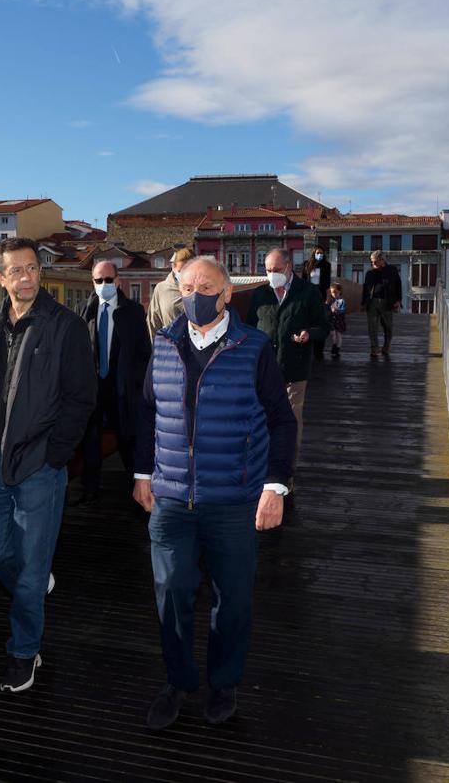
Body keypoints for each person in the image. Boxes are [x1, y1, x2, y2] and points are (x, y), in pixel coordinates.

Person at [133, 255, 296, 730]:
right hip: (170, 499)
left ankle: (224, 681)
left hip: (234, 497)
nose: (195, 296)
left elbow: (282, 420)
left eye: (206, 288)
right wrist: (142, 474)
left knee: (234, 598)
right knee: (172, 591)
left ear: (226, 295)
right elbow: (147, 412)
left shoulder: (255, 347)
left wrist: (275, 486)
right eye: (187, 287)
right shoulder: (163, 344)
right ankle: (178, 680)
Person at [0, 237, 97, 692]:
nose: (25, 276)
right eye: (15, 270)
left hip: (38, 463)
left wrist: (56, 454)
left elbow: (82, 399)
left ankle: (23, 653)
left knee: (33, 567)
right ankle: (33, 584)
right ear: (0, 278)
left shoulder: (66, 327)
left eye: (32, 268)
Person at [245, 248, 328, 475]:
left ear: (289, 268)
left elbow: (323, 327)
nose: (272, 274)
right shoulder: (261, 293)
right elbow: (250, 327)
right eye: (269, 270)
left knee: (291, 424)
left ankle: (285, 476)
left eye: (277, 270)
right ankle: (262, 473)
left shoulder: (308, 293)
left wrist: (309, 334)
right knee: (262, 424)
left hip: (295, 370)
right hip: (264, 372)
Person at [75, 259, 151, 506]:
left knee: (128, 439)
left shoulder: (133, 311)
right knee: (90, 441)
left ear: (118, 281)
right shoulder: (84, 310)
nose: (104, 285)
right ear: (92, 283)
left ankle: (137, 489)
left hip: (123, 389)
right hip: (94, 388)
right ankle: (90, 489)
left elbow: (143, 353)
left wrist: (138, 387)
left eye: (109, 280)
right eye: (99, 281)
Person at [147, 247, 194, 339]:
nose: (185, 275)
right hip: (170, 347)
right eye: (181, 271)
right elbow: (153, 323)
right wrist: (155, 350)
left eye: (189, 271)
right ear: (174, 267)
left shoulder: (204, 290)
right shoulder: (162, 289)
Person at [361, 250, 402, 358]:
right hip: (372, 302)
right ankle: (374, 349)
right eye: (371, 262)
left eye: (375, 262)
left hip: (387, 302)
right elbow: (365, 288)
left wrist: (398, 300)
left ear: (381, 260)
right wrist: (363, 302)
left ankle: (386, 346)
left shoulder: (392, 270)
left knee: (388, 326)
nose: (373, 264)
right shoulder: (369, 273)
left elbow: (398, 285)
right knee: (372, 327)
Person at [302, 246, 330, 360]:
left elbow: (327, 283)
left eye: (322, 253)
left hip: (321, 296)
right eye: (318, 253)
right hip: (309, 296)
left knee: (320, 322)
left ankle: (319, 350)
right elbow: (303, 281)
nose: (320, 255)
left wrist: (328, 298)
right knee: (309, 322)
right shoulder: (307, 265)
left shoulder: (326, 266)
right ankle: (309, 347)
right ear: (314, 253)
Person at [327, 281, 347, 358]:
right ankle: (334, 345)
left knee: (338, 335)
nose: (334, 294)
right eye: (332, 292)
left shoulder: (341, 301)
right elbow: (328, 309)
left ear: (339, 292)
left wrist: (336, 310)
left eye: (335, 292)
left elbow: (343, 310)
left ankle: (337, 348)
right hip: (332, 320)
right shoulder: (331, 300)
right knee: (333, 335)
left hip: (339, 320)